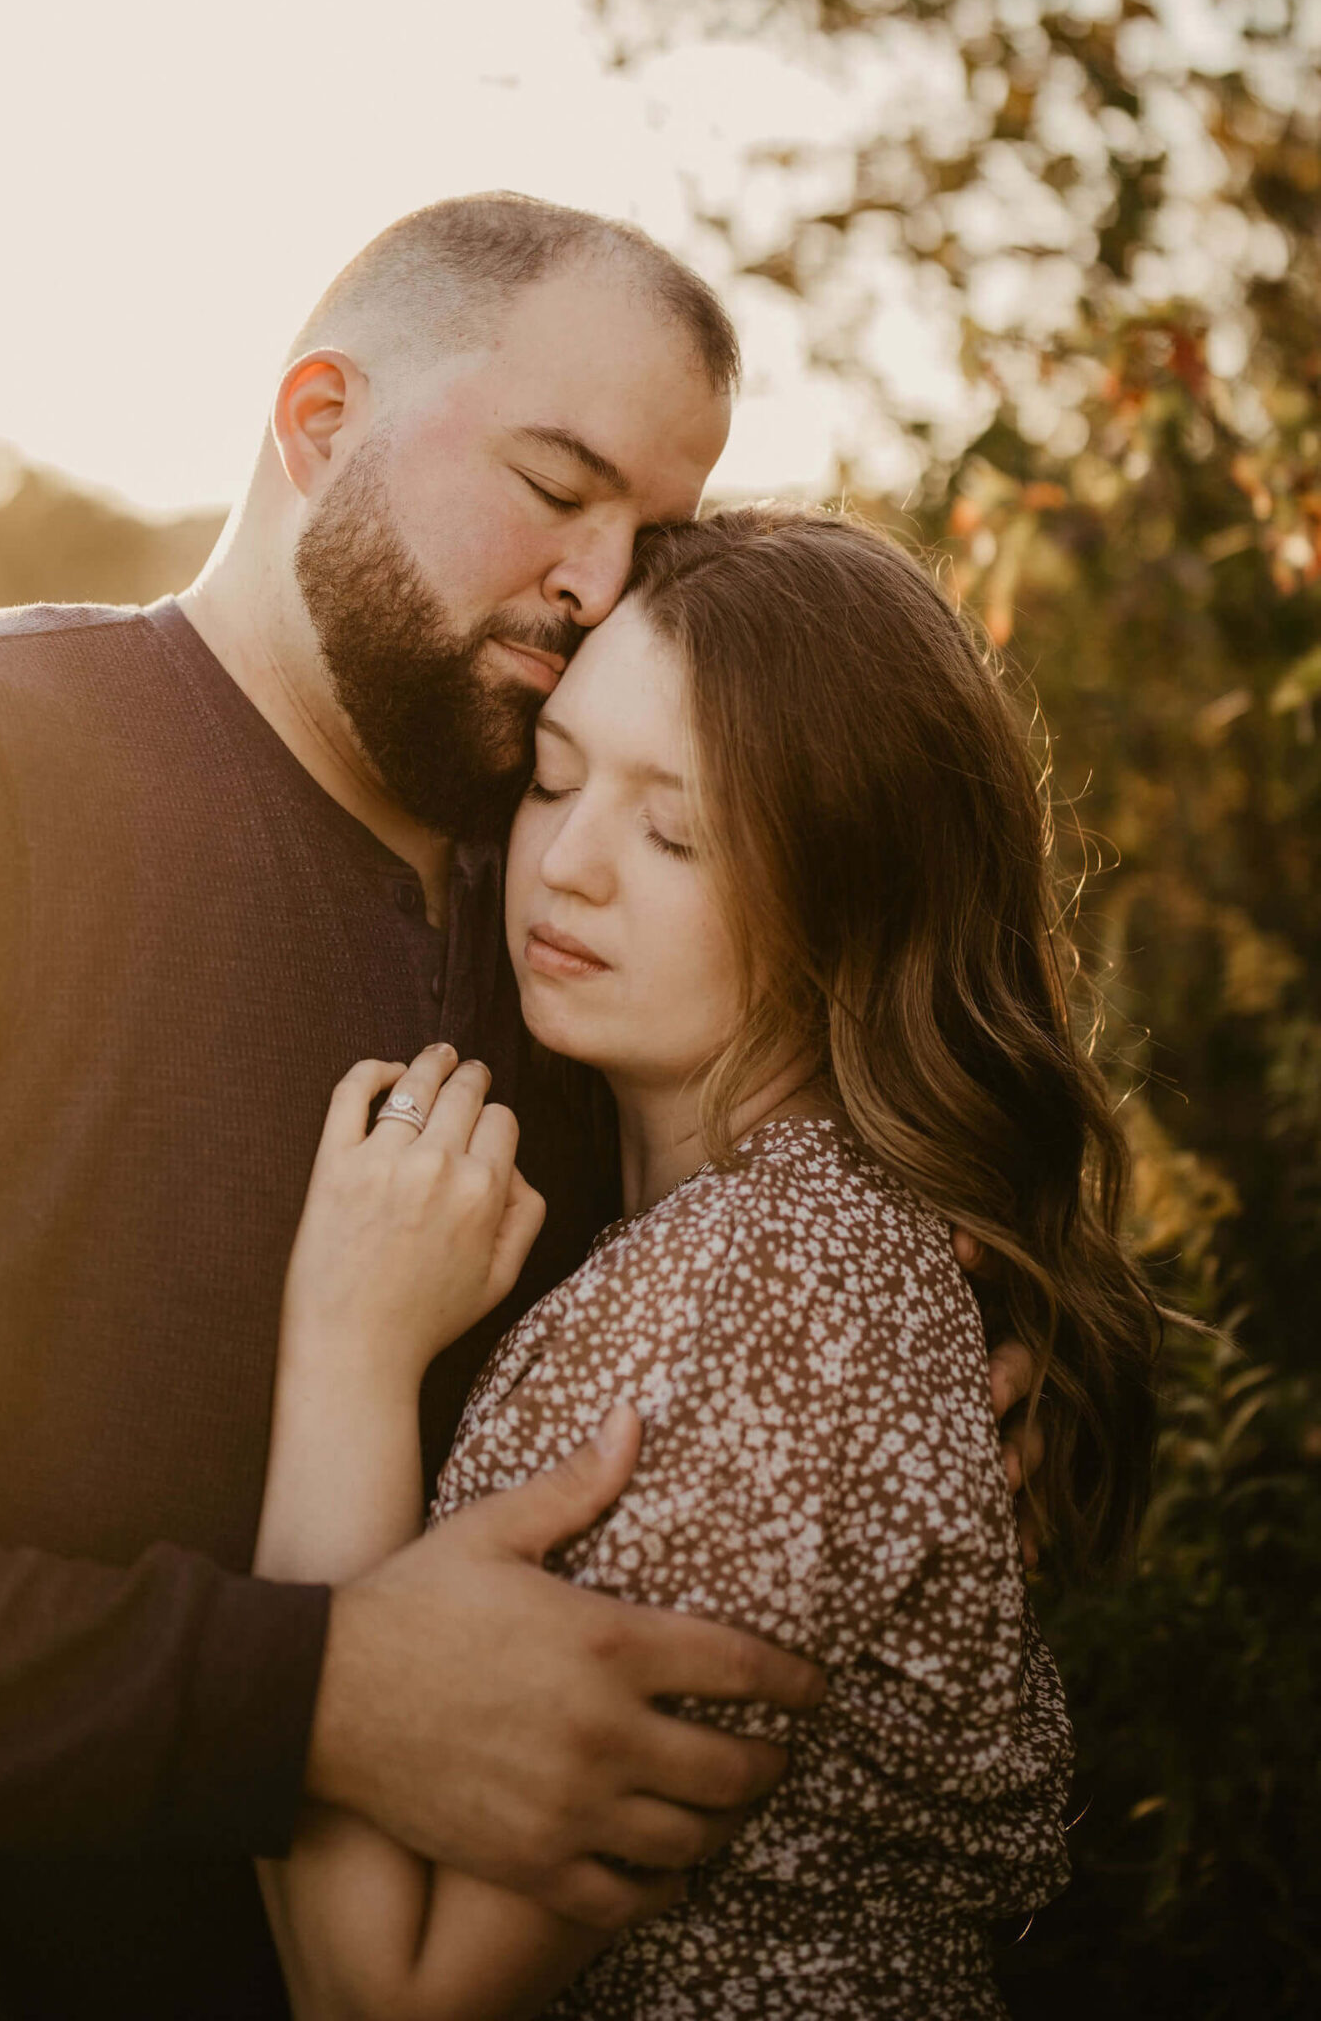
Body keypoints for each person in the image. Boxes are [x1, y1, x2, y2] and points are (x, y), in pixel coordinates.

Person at [0, 195, 1037, 2017]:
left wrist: (934, 1359)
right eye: (555, 483)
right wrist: (308, 1696)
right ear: (319, 424)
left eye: (653, 533)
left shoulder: (579, 935)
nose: (603, 581)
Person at [253, 505, 1164, 2019]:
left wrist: (343, 1352)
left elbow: (386, 1995)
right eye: (555, 778)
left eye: (677, 831)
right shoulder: (797, 1248)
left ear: (849, 897)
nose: (573, 864)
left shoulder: (771, 1299)